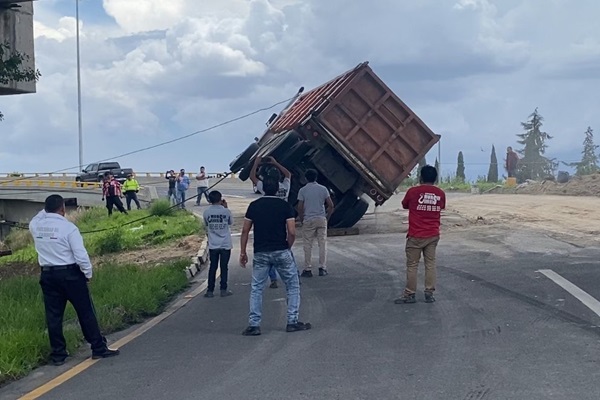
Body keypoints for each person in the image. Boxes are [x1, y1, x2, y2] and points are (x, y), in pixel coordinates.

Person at [29, 194, 120, 365]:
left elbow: (39, 215)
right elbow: (81, 255)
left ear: (46, 209)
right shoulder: (69, 228)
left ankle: (58, 355)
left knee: (53, 316)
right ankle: (98, 348)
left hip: (48, 274)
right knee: (85, 311)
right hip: (70, 274)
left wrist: (47, 210)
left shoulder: (35, 225)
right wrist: (88, 273)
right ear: (62, 209)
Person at [240, 177, 311, 336]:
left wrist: (243, 252)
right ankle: (292, 321)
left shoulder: (254, 206)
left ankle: (254, 325)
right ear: (277, 188)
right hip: (281, 250)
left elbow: (245, 230)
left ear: (263, 188)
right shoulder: (285, 206)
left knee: (257, 288)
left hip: (261, 252)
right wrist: (288, 246)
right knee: (292, 285)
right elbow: (292, 232)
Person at [395, 165, 446, 304]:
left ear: (421, 177)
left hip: (416, 235)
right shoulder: (440, 194)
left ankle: (410, 294)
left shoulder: (413, 192)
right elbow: (441, 206)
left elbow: (405, 205)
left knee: (412, 265)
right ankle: (429, 293)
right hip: (433, 234)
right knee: (430, 264)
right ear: (435, 179)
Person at [250, 156, 293, 288]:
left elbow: (252, 177)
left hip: (267, 219)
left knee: (268, 250)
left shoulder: (265, 187)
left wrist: (256, 162)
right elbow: (288, 174)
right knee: (284, 249)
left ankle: (273, 278)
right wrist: (276, 163)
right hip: (283, 220)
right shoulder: (285, 187)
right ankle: (293, 274)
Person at [297, 169, 334, 278]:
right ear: (316, 177)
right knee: (322, 243)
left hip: (308, 219)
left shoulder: (302, 190)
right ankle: (322, 268)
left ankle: (307, 269)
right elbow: (331, 205)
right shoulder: (323, 189)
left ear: (306, 178)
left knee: (307, 245)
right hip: (321, 219)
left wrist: (302, 219)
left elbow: (300, 207)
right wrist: (327, 217)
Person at [203, 190, 233, 298]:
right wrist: (226, 207)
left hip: (213, 244)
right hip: (225, 244)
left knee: (213, 267)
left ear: (209, 200)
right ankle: (223, 289)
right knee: (224, 267)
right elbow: (230, 222)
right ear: (220, 199)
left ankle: (210, 290)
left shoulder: (206, 212)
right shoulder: (226, 211)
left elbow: (206, 224)